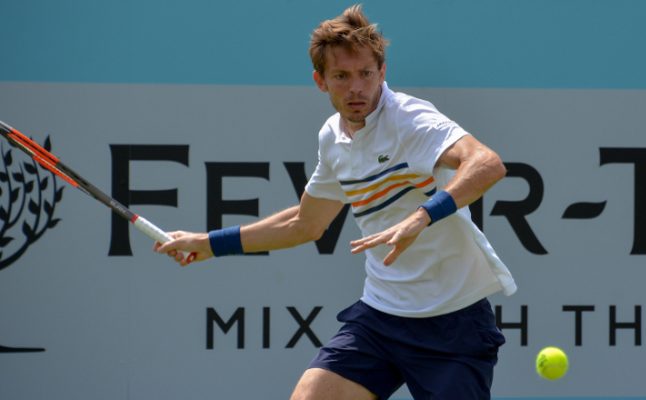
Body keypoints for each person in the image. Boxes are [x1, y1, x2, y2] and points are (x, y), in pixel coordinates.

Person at [155, 4, 517, 399]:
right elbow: (305, 224)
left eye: (366, 74)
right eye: (341, 76)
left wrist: (422, 216)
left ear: (382, 72)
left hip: (454, 322)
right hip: (381, 318)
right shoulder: (333, 137)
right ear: (320, 81)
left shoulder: (412, 121)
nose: (356, 88)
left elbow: (487, 164)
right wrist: (209, 244)